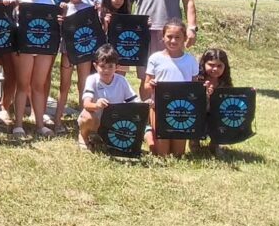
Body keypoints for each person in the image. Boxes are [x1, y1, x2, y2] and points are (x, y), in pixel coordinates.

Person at [7, 0, 58, 140]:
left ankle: (40, 124)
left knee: (38, 85)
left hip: (43, 48)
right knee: (22, 85)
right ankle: (18, 124)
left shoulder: (49, 2)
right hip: (23, 47)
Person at [142, 20, 198, 157]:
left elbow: (194, 87)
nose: (173, 41)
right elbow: (146, 86)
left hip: (181, 109)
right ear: (163, 37)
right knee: (162, 154)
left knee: (178, 154)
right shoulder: (155, 58)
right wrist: (151, 85)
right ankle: (148, 133)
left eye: (177, 37)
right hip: (159, 106)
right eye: (169, 36)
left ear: (184, 38)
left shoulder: (190, 60)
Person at [77, 44, 140, 150]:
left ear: (117, 67)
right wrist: (97, 105)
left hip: (115, 121)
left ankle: (104, 137)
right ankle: (83, 136)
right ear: (95, 66)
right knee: (87, 117)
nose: (106, 70)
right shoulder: (92, 79)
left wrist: (146, 104)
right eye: (102, 66)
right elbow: (86, 104)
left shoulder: (122, 80)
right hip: (95, 120)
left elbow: (134, 102)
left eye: (110, 66)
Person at [55, 0, 93, 135]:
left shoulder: (89, 8)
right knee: (64, 85)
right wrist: (60, 19)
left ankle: (83, 119)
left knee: (84, 85)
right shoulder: (63, 7)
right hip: (68, 48)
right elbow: (58, 30)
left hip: (84, 48)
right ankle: (57, 120)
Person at [192, 48, 234, 156]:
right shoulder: (197, 80)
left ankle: (215, 144)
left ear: (225, 67)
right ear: (203, 64)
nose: (215, 69)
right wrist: (203, 93)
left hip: (217, 114)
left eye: (219, 66)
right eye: (211, 65)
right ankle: (194, 144)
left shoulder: (225, 83)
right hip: (199, 113)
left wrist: (248, 94)